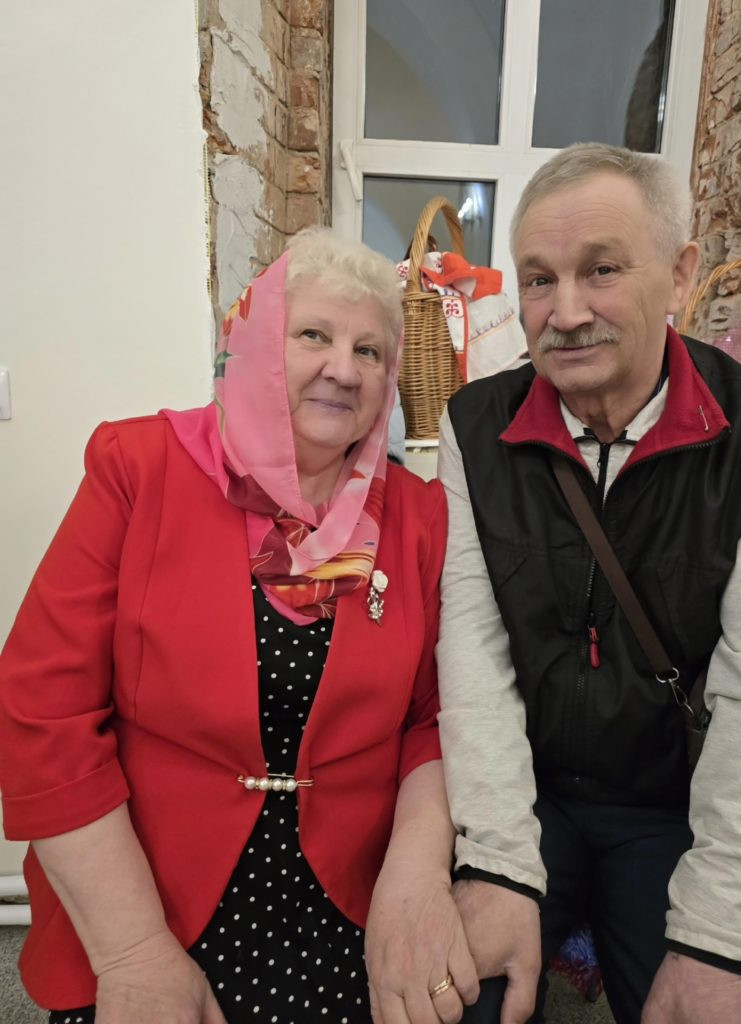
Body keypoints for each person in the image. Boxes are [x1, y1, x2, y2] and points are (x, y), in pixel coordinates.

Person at [0, 228, 480, 1024]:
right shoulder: (139, 468)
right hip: (145, 902)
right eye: (313, 335)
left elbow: (436, 719)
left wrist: (416, 876)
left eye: (368, 350)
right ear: (255, 345)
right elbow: (42, 713)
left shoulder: (420, 515)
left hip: (354, 901)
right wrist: (132, 951)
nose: (343, 368)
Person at [437, 143, 741, 1024]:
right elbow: (473, 656)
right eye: (539, 280)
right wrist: (497, 862)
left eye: (603, 270)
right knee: (462, 1000)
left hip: (673, 808)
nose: (567, 312)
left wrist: (720, 935)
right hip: (526, 793)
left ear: (681, 274)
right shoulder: (476, 427)